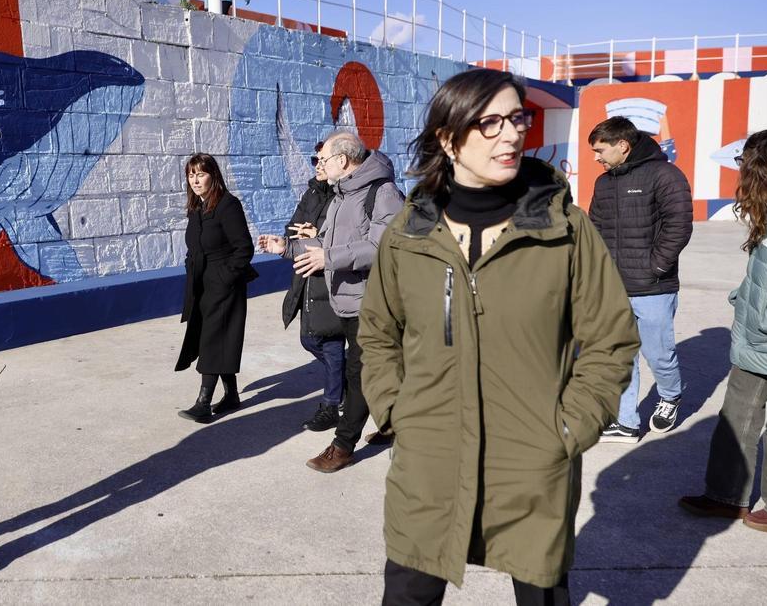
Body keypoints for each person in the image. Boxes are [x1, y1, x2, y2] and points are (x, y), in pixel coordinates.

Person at [358, 68, 640, 604]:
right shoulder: (408, 235)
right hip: (428, 462)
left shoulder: (564, 230)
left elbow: (611, 340)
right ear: (448, 137)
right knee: (408, 594)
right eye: (490, 123)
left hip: (532, 463)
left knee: (541, 592)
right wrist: (396, 412)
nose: (512, 134)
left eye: (518, 118)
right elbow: (377, 332)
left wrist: (568, 428)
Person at [258, 130, 404, 472]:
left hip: (375, 302)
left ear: (342, 160)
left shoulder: (382, 193)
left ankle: (342, 445)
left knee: (360, 373)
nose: (318, 165)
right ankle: (395, 421)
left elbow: (386, 246)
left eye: (322, 159)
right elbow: (326, 243)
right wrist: (287, 248)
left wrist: (331, 258)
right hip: (349, 300)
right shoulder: (341, 195)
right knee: (380, 369)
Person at [679, 128, 767, 533]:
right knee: (735, 418)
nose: (740, 173)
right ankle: (725, 495)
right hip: (756, 337)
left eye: (746, 165)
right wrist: (744, 297)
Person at [588, 116, 694, 443]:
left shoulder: (665, 174)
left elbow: (678, 225)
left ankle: (670, 394)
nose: (596, 157)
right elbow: (595, 230)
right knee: (621, 354)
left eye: (600, 150)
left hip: (653, 288)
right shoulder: (604, 183)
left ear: (623, 146)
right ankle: (625, 421)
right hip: (614, 288)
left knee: (657, 353)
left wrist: (655, 268)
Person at [175, 152, 257, 422]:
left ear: (213, 175)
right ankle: (232, 395)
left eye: (201, 174)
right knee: (214, 338)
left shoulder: (227, 205)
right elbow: (195, 246)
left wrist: (225, 278)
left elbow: (244, 248)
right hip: (202, 285)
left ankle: (203, 402)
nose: (195, 180)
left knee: (213, 340)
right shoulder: (197, 207)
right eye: (191, 174)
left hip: (224, 286)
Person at [281, 141, 345, 432]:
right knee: (310, 340)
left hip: (331, 277)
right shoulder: (311, 193)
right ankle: (348, 380)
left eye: (323, 160)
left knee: (330, 343)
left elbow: (344, 237)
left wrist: (317, 234)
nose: (318, 165)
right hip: (307, 278)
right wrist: (296, 235)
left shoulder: (342, 196)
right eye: (315, 160)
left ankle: (332, 403)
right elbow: (292, 227)